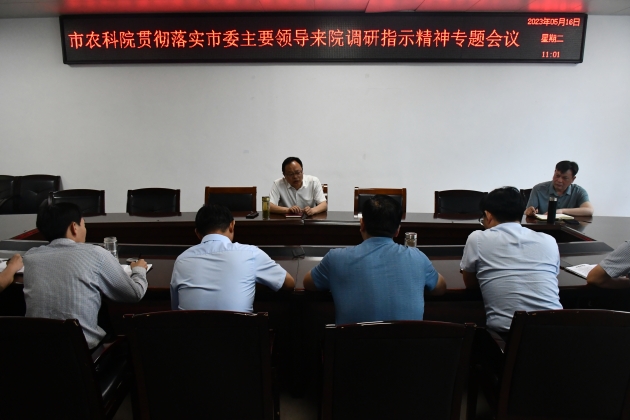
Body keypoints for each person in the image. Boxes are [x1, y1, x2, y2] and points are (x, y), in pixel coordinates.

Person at [303, 195, 446, 325]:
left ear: (362, 224)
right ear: (397, 230)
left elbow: (308, 283)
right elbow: (440, 287)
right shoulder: (418, 258)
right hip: (406, 346)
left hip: (351, 345)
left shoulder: (335, 258)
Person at [23, 202, 148, 349]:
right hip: (82, 354)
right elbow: (134, 293)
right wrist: (139, 270)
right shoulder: (95, 254)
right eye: (83, 224)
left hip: (36, 353)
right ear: (74, 227)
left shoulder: (30, 257)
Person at [461, 187, 562, 336]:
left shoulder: (477, 238)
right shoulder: (549, 240)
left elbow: (470, 283)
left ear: (488, 215)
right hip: (558, 330)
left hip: (508, 335)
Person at [170, 203, 295, 311]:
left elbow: (175, 308)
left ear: (197, 233)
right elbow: (289, 284)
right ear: (232, 225)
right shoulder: (250, 253)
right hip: (239, 331)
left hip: (190, 332)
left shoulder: (182, 260)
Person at [525, 160, 593, 217]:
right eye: (557, 176)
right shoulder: (538, 189)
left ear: (573, 179)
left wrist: (562, 211)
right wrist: (529, 212)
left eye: (565, 178)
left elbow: (589, 210)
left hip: (569, 228)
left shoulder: (578, 191)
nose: (559, 180)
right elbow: (527, 212)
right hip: (543, 227)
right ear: (554, 172)